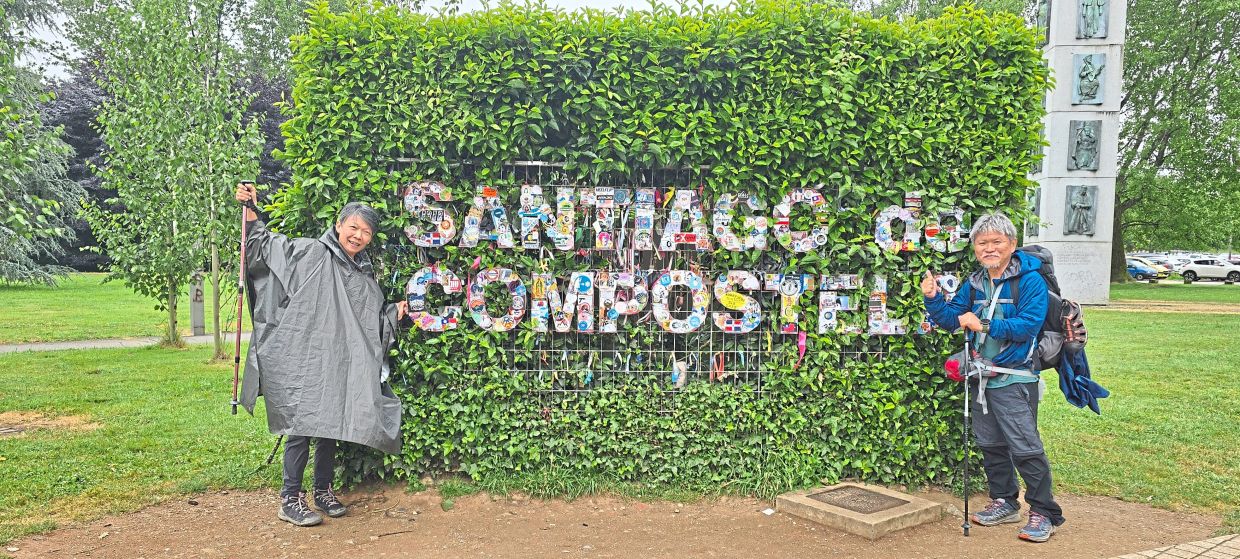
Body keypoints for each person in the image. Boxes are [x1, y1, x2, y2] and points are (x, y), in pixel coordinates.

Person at [235, 183, 408, 527]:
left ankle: (322, 491)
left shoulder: (361, 273)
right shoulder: (311, 254)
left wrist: (393, 313)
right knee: (301, 426)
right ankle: (290, 498)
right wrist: (252, 209)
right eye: (353, 227)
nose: (358, 236)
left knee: (332, 425)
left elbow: (368, 319)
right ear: (339, 225)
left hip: (336, 363)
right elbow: (264, 248)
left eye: (366, 232)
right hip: (307, 360)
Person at [921, 212, 1064, 543]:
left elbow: (1028, 326)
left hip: (1015, 376)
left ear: (1012, 244)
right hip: (981, 375)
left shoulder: (1030, 281)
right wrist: (932, 299)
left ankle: (1044, 512)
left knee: (1025, 447)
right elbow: (953, 320)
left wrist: (983, 325)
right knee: (991, 444)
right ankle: (1005, 502)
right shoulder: (975, 282)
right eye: (982, 242)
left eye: (997, 242)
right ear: (974, 247)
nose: (989, 248)